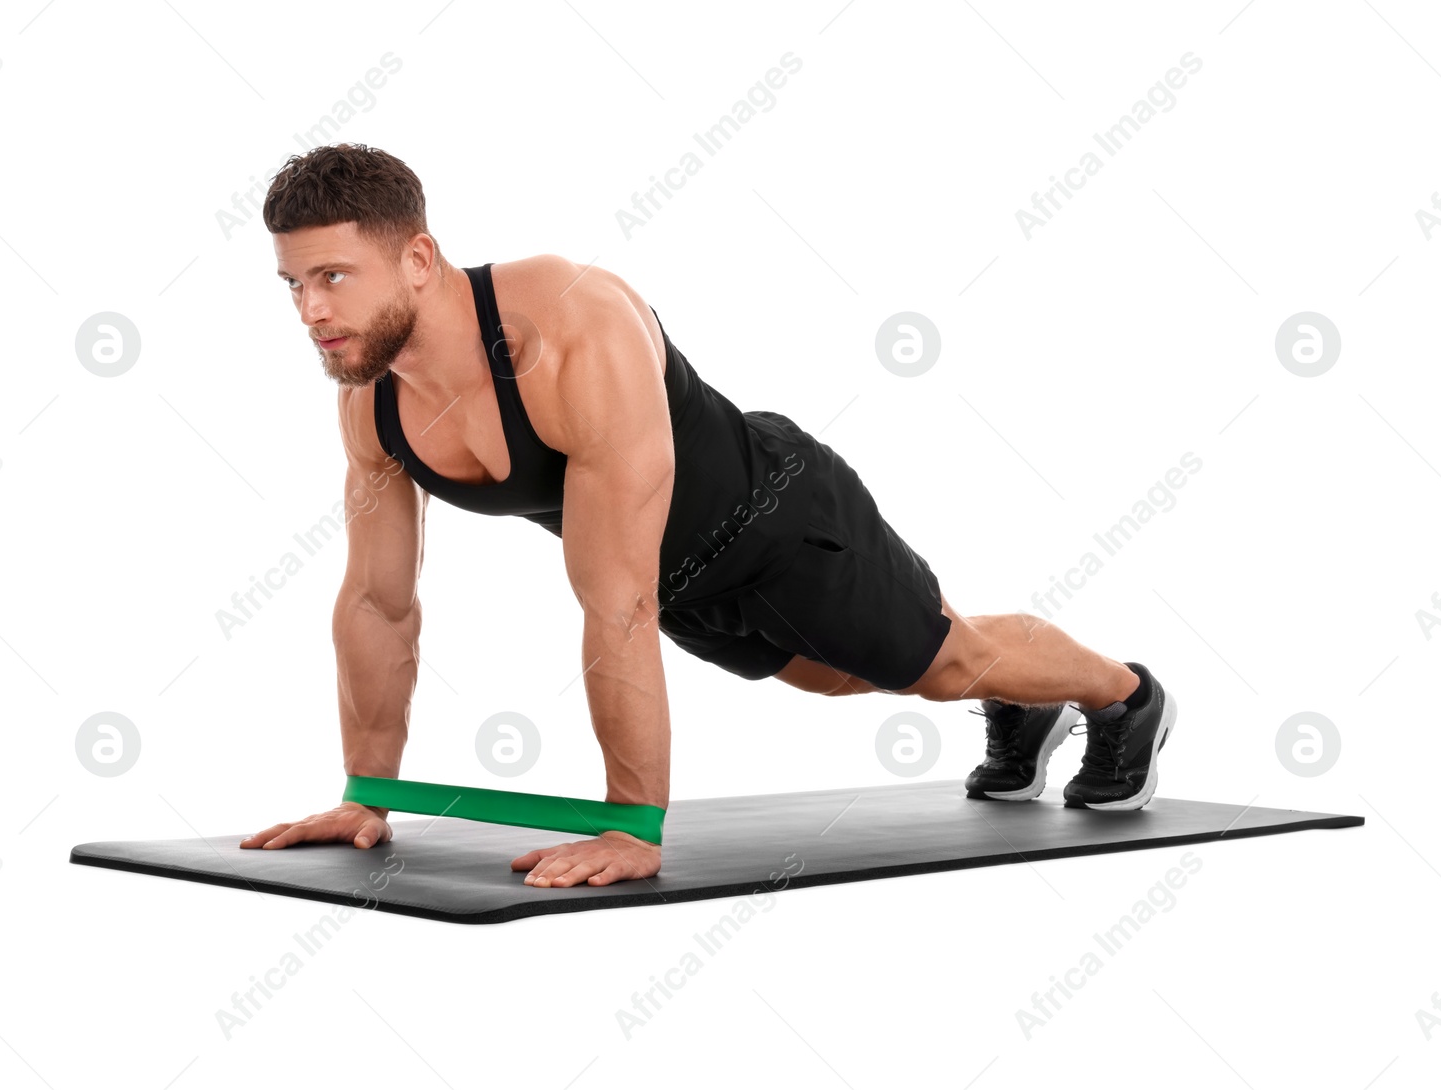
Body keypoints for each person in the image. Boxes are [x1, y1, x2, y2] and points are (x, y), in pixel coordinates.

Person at [239, 144, 1176, 888]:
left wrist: (633, 823)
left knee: (939, 662)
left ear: (415, 257)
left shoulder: (570, 328)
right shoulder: (374, 400)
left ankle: (1126, 697)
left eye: (332, 276)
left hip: (776, 518)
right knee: (837, 683)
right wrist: (367, 794)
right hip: (679, 582)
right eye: (292, 284)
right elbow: (377, 602)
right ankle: (1023, 702)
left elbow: (614, 604)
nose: (310, 310)